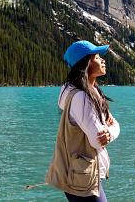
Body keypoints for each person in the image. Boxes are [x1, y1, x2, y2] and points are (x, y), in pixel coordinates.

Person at [45, 40, 120, 201]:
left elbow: (110, 125)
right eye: (97, 56)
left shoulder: (82, 91)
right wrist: (112, 130)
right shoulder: (82, 97)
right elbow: (98, 140)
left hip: (82, 175)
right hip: (82, 179)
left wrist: (110, 128)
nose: (102, 60)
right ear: (85, 63)